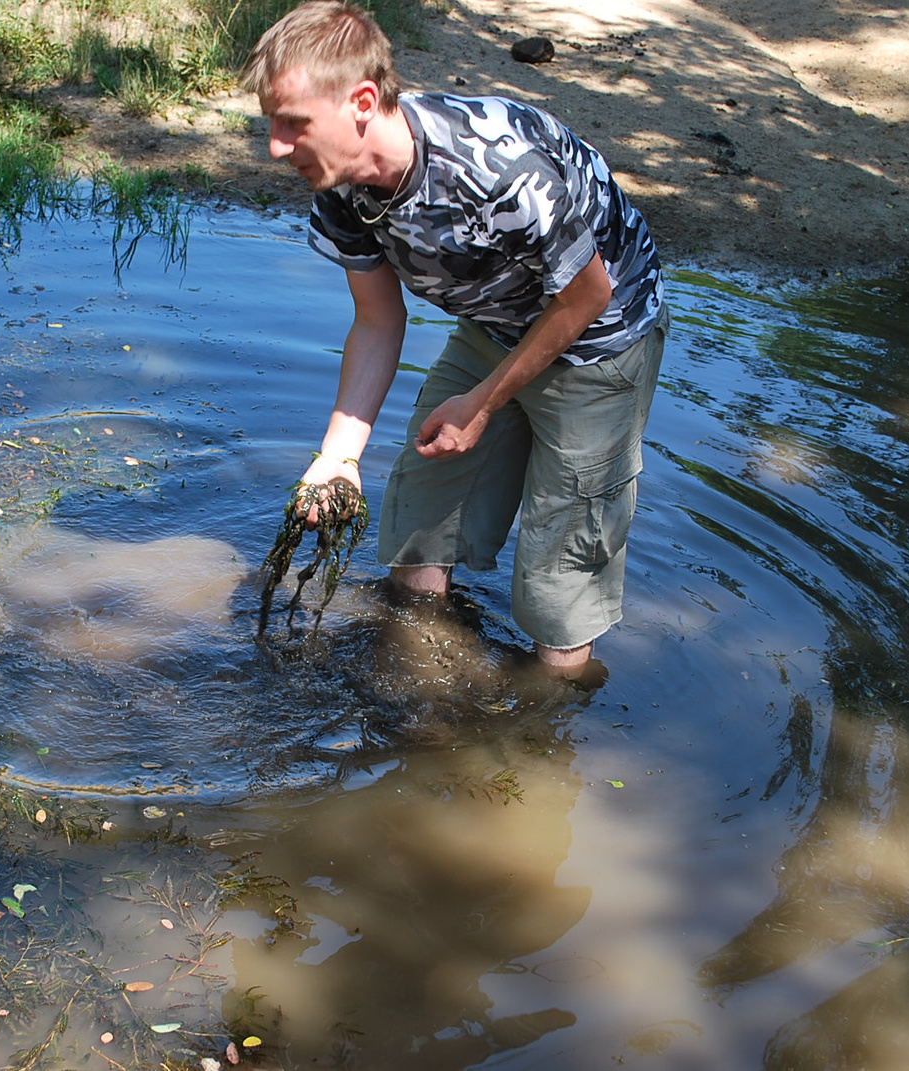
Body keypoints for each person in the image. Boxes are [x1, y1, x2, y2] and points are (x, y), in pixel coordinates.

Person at [242, 1, 667, 680]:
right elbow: (378, 321)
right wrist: (338, 457)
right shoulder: (340, 189)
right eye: (271, 123)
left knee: (559, 575)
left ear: (361, 101)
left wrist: (484, 403)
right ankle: (427, 688)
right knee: (421, 523)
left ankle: (541, 727)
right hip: (496, 326)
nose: (274, 147)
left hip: (600, 340)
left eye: (293, 124)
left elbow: (589, 295)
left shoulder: (494, 170)